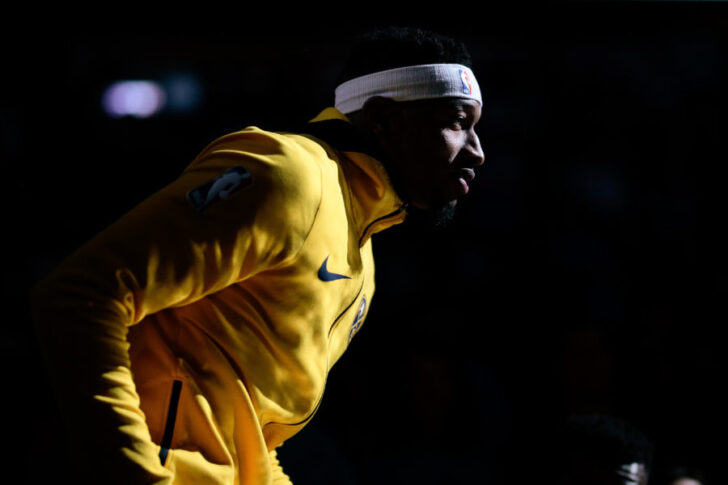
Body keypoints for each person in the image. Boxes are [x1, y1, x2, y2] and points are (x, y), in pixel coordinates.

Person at [30, 26, 485, 484]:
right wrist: (133, 474)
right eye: (457, 122)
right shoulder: (288, 175)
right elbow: (80, 294)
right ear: (384, 117)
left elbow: (253, 436)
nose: (478, 151)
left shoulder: (361, 259)